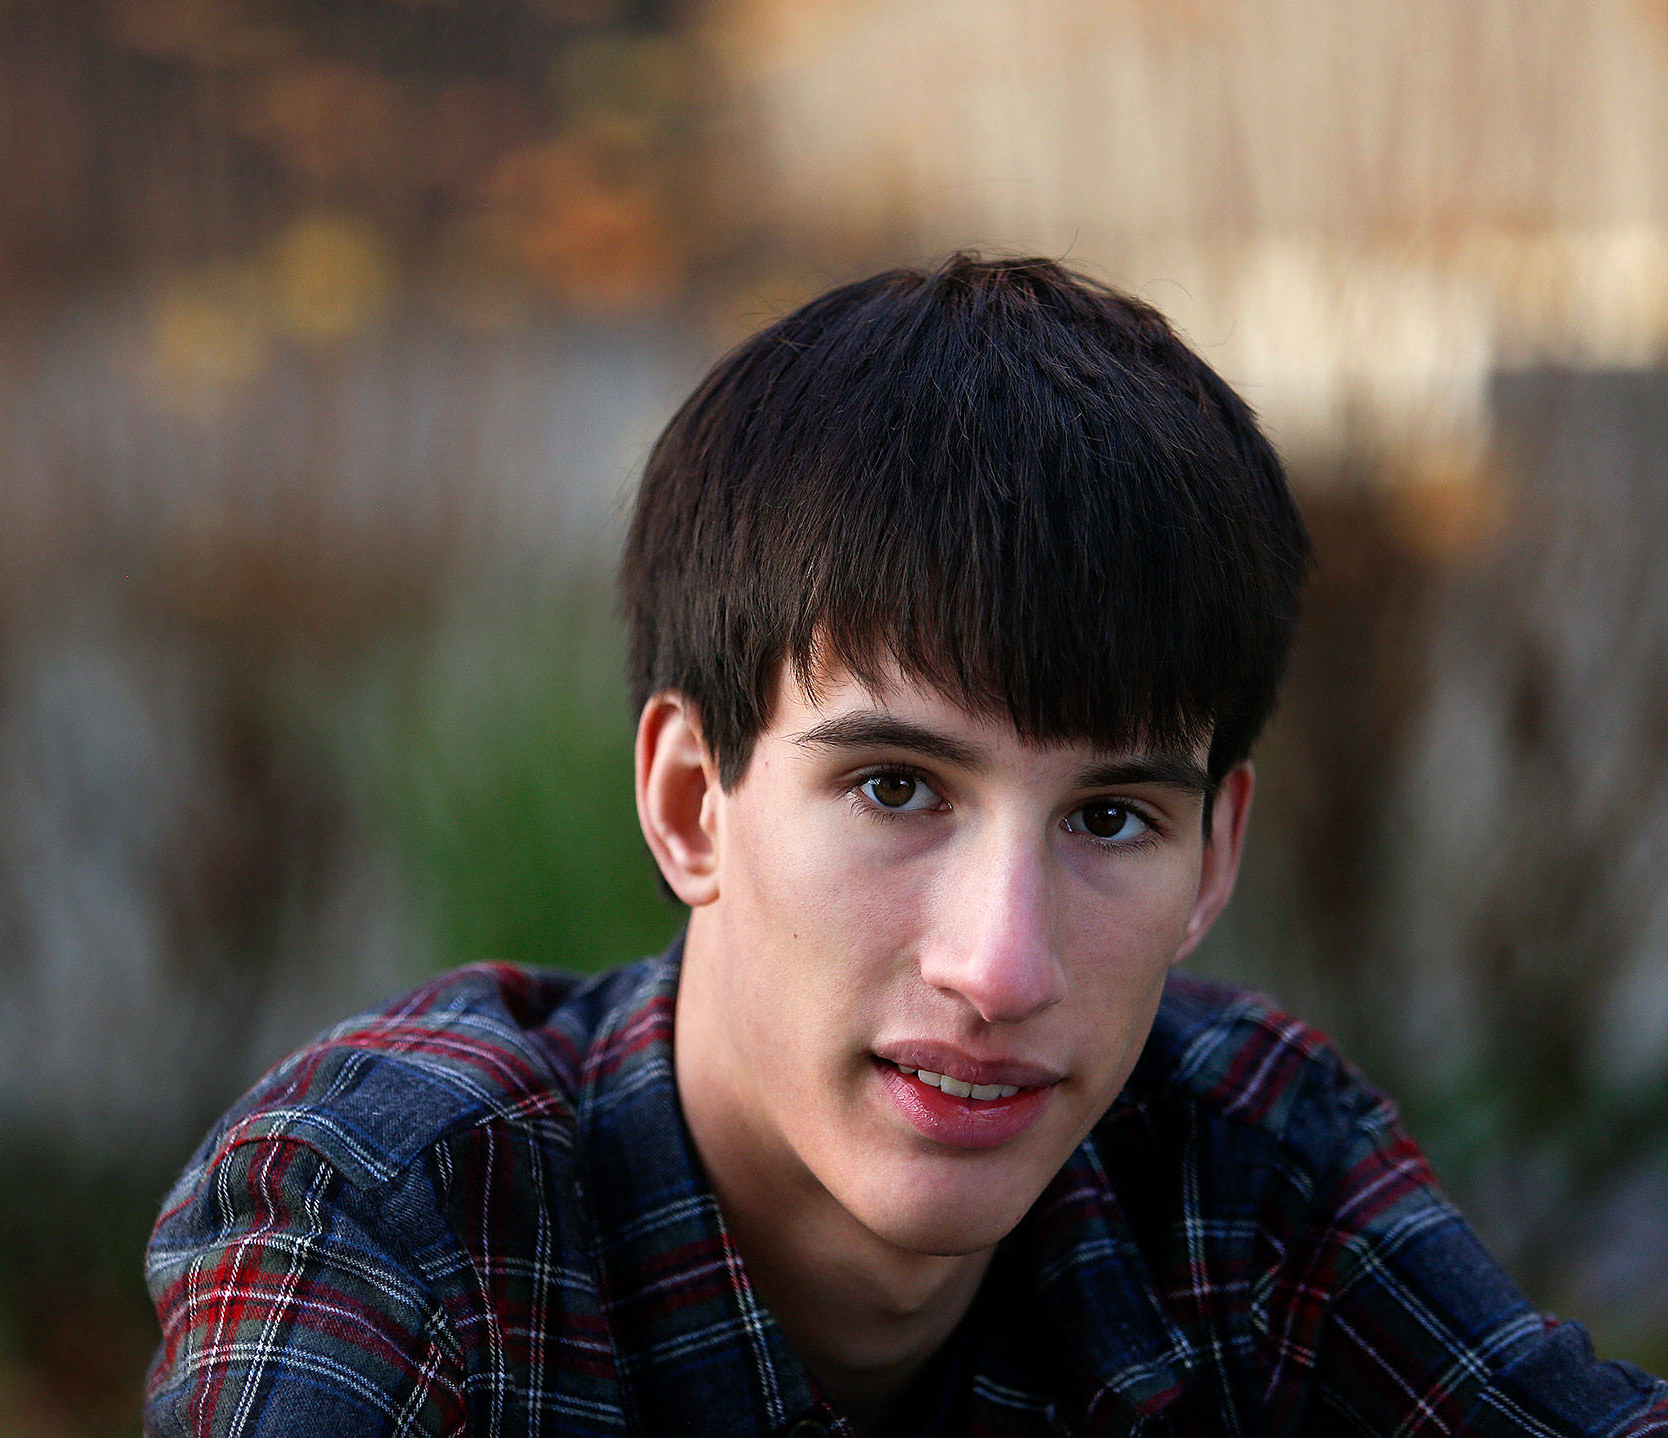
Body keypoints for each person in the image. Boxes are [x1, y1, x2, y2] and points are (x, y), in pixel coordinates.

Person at [143, 255, 1668, 1436]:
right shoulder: (399, 1221)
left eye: (1112, 818)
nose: (999, 964)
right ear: (691, 802)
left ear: (1215, 861)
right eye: (894, 787)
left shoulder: (1246, 1172)